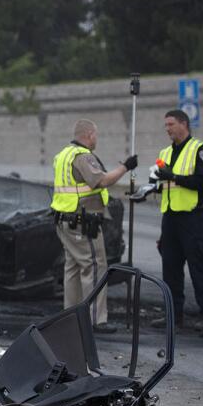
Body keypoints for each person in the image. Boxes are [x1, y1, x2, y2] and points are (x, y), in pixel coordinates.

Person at [50, 120, 137, 330]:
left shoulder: (64, 154)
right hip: (82, 222)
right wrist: (126, 167)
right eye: (95, 135)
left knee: (72, 268)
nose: (96, 139)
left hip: (65, 220)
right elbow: (102, 181)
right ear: (89, 134)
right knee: (95, 266)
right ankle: (96, 319)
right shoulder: (83, 156)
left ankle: (70, 316)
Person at [155, 109, 203, 328]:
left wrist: (173, 176)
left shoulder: (200, 150)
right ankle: (174, 316)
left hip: (193, 217)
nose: (167, 129)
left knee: (198, 266)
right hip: (171, 218)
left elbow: (202, 181)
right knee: (170, 269)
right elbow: (162, 184)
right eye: (166, 125)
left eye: (171, 124)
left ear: (184, 124)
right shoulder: (165, 153)